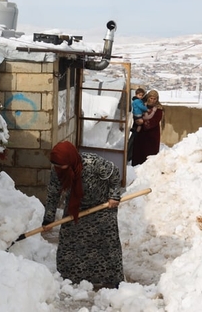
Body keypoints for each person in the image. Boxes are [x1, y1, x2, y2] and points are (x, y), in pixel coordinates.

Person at [42, 140, 124, 290]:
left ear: (70, 159)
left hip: (101, 209)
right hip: (76, 209)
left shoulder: (92, 162)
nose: (58, 168)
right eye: (56, 165)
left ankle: (111, 279)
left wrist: (114, 196)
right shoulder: (58, 171)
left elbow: (114, 173)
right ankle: (70, 278)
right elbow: (53, 193)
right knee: (69, 242)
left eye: (60, 165)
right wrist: (48, 218)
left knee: (105, 244)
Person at [130, 89, 164, 166]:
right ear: (148, 97)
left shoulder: (159, 109)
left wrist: (144, 122)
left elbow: (155, 120)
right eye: (151, 98)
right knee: (138, 153)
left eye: (154, 99)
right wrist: (137, 121)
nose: (152, 100)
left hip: (152, 135)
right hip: (140, 134)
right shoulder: (142, 105)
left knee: (150, 155)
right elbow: (136, 113)